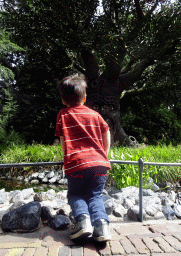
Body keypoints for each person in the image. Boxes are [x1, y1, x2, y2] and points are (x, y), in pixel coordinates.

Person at [55, 74, 111, 242]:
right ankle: (102, 227)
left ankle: (83, 221)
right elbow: (106, 130)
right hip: (99, 164)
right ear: (85, 97)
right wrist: (104, 153)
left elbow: (64, 142)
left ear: (63, 100)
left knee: (75, 194)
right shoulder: (94, 115)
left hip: (76, 164)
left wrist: (67, 158)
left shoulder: (63, 115)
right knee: (95, 196)